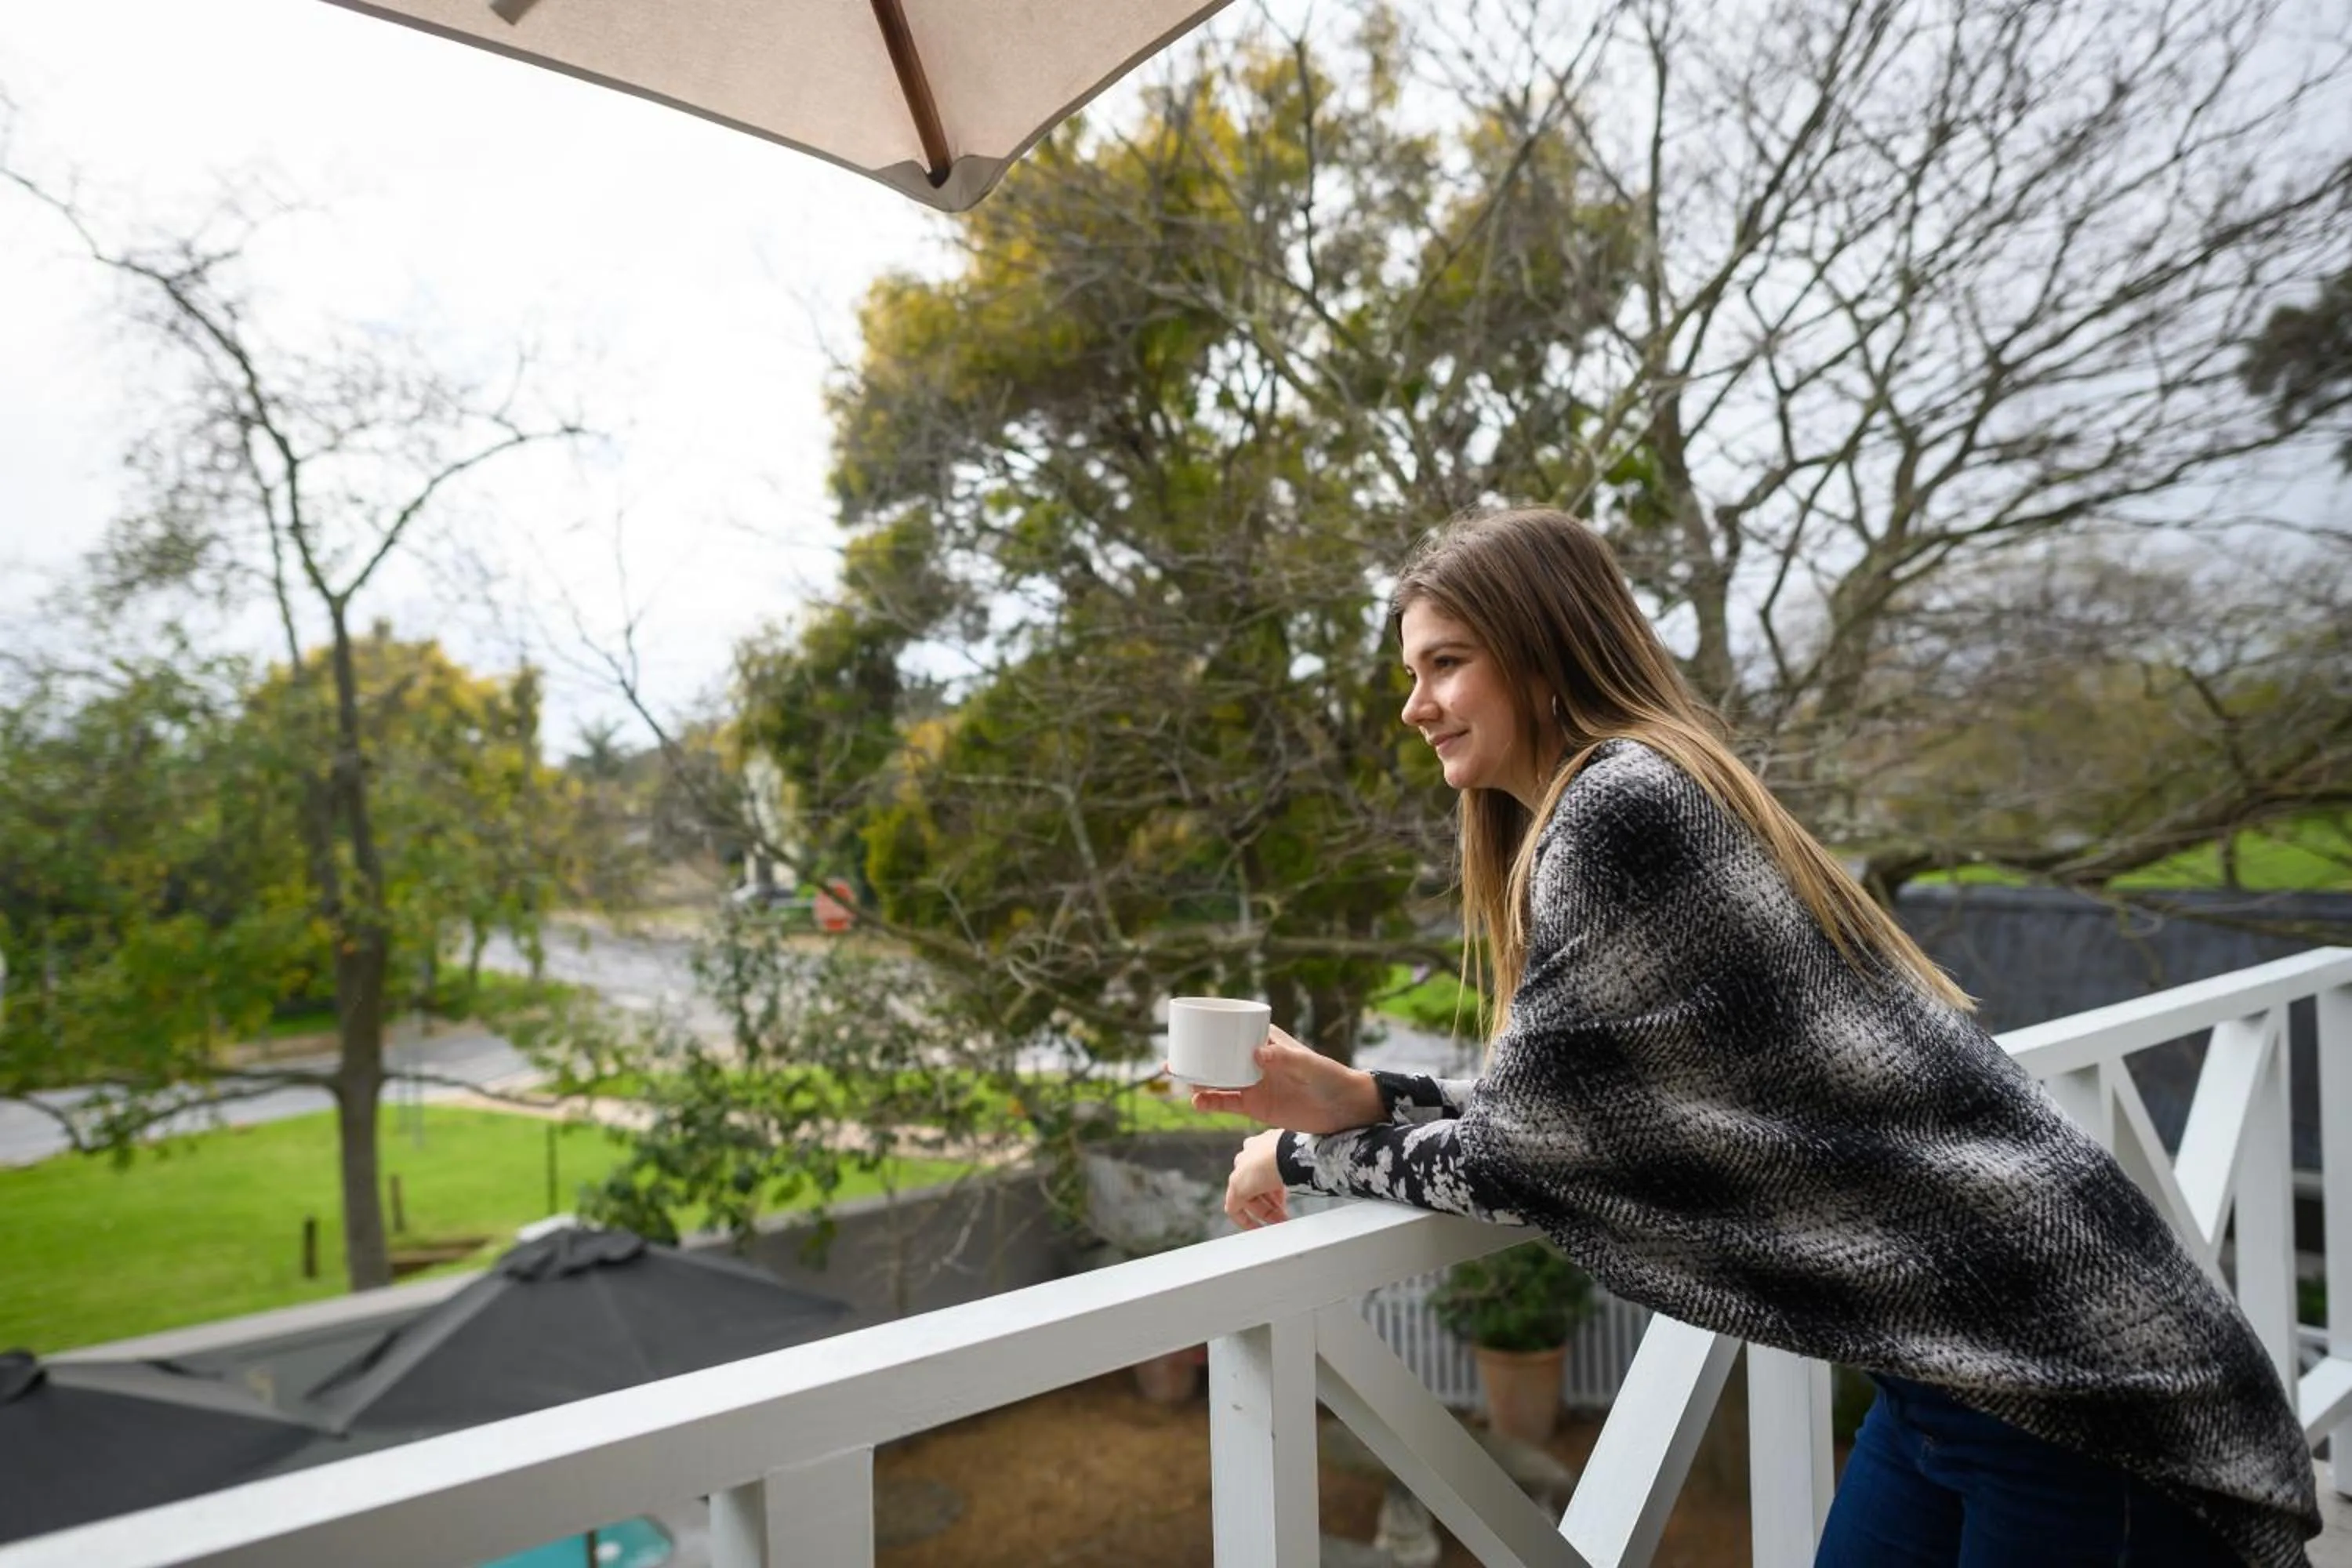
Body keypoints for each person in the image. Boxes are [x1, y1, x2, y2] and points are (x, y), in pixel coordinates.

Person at [1190, 509, 2318, 1566]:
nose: (1416, 706)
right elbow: (1589, 1109)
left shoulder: (1618, 809)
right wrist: (1368, 1098)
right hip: (1949, 1377)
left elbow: (1526, 1158)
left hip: (2076, 1381)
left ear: (1542, 655)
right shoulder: (1636, 792)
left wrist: (1301, 1155)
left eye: (1446, 663)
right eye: (1412, 673)